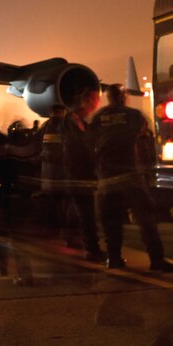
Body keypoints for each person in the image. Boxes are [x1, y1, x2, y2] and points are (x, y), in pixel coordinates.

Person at [90, 83, 173, 272]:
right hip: (130, 175)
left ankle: (113, 259)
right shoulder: (134, 115)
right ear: (123, 97)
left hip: (106, 178)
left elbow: (90, 141)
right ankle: (156, 260)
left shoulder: (97, 117)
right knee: (146, 219)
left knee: (111, 222)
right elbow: (143, 136)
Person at [63, 87, 104, 262]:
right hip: (78, 174)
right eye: (96, 99)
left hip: (82, 174)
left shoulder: (81, 121)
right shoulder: (71, 120)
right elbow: (77, 147)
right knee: (86, 212)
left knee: (80, 210)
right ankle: (91, 248)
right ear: (87, 100)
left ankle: (74, 238)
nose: (97, 103)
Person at [37, 104, 70, 238]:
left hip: (48, 171)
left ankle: (51, 227)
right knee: (61, 202)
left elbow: (37, 145)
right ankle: (60, 227)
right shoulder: (66, 126)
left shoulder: (44, 127)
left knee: (52, 200)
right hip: (61, 171)